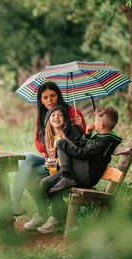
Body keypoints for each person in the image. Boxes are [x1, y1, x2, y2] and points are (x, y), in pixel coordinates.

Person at [36, 105, 122, 234]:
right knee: (44, 184)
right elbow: (81, 147)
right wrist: (87, 134)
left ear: (102, 126)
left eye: (95, 120)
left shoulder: (105, 141)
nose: (93, 123)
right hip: (79, 172)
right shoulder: (100, 137)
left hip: (87, 176)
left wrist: (62, 143)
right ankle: (62, 213)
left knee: (61, 143)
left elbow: (81, 153)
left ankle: (66, 177)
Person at [11, 81, 86, 216]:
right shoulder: (41, 117)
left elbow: (82, 142)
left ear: (58, 96)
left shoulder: (73, 113)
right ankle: (14, 202)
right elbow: (37, 142)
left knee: (29, 174)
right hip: (49, 157)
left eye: (53, 95)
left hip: (66, 162)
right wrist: (49, 145)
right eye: (45, 97)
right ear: (41, 100)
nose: (50, 100)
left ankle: (44, 213)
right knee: (26, 157)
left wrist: (80, 127)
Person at [22, 105, 83, 231]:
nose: (57, 118)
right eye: (53, 115)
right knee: (31, 182)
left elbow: (80, 150)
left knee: (46, 183)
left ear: (65, 119)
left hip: (70, 171)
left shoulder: (72, 131)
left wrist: (80, 127)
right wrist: (48, 163)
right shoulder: (47, 136)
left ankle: (57, 216)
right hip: (56, 169)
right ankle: (42, 214)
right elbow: (50, 157)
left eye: (60, 115)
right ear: (48, 119)